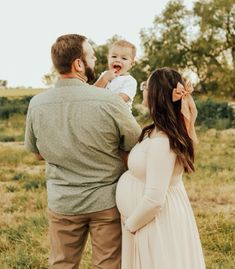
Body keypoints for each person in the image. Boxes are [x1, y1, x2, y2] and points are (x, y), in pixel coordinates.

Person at [24, 34, 141, 269]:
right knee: (107, 265)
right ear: (78, 63)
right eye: (92, 55)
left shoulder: (37, 103)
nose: (96, 60)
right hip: (105, 202)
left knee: (62, 264)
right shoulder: (110, 101)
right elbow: (136, 143)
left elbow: (36, 153)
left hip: (63, 203)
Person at [116, 67, 206, 269]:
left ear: (156, 93)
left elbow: (154, 199)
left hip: (152, 223)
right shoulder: (155, 131)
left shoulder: (162, 141)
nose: (143, 89)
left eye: (146, 85)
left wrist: (131, 226)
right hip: (147, 222)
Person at [94, 40, 137, 109]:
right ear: (108, 58)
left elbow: (119, 101)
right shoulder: (105, 75)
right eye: (114, 56)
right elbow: (92, 93)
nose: (118, 60)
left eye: (124, 58)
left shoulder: (130, 81)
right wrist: (104, 79)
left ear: (131, 64)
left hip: (119, 117)